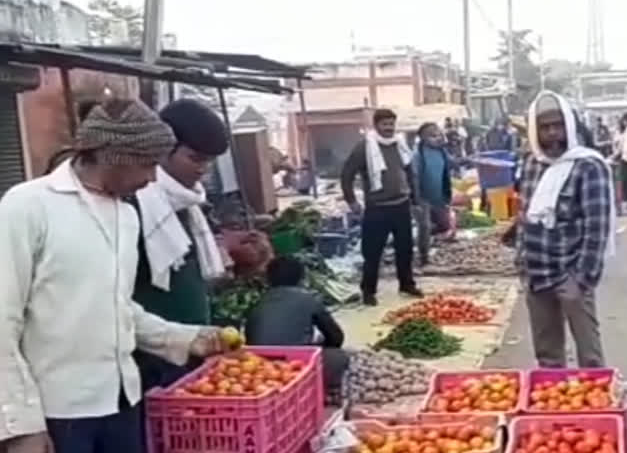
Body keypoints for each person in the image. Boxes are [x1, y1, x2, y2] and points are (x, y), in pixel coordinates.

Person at [0, 99, 225, 453]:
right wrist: (19, 425)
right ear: (113, 155)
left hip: (121, 402)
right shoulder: (28, 206)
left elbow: (118, 308)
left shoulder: (125, 215)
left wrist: (184, 337)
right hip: (57, 414)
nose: (152, 179)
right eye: (146, 165)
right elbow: (3, 318)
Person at [132, 98, 229, 392]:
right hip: (151, 359)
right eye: (195, 158)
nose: (204, 169)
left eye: (210, 160)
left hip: (193, 350)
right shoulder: (136, 205)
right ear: (163, 150)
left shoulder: (189, 205)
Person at [517, 91, 615, 368]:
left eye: (557, 125)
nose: (552, 134)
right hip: (536, 272)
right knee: (547, 356)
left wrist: (582, 278)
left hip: (570, 273)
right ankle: (554, 408)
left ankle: (594, 407)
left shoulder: (588, 165)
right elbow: (527, 212)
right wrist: (521, 259)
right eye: (544, 127)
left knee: (590, 356)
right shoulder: (531, 162)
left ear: (569, 126)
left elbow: (598, 228)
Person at [341, 108, 422, 306]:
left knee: (405, 249)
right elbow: (347, 174)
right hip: (377, 208)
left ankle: (406, 284)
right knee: (372, 252)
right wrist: (351, 200)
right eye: (385, 125)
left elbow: (410, 173)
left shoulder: (401, 144)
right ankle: (368, 291)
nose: (389, 128)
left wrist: (415, 200)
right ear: (376, 125)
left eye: (392, 124)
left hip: (401, 205)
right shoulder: (364, 147)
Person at [245, 256, 349, 389]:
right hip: (295, 365)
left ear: (268, 280)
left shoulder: (259, 302)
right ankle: (317, 389)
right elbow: (336, 337)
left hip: (259, 370)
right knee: (338, 357)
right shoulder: (308, 299)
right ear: (301, 278)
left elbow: (251, 339)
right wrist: (319, 346)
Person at [413, 122, 454, 266]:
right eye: (432, 135)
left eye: (438, 134)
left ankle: (429, 244)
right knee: (424, 227)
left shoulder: (441, 152)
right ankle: (423, 256)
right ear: (423, 138)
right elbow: (415, 177)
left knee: (444, 225)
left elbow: (450, 166)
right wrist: (416, 199)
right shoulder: (418, 154)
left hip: (439, 195)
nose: (437, 138)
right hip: (423, 197)